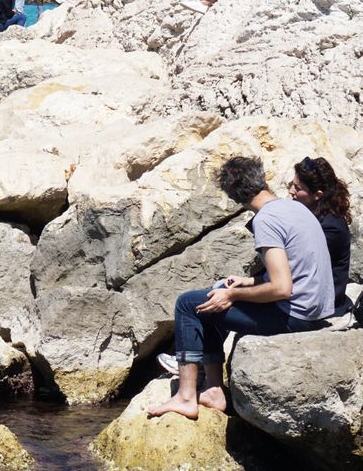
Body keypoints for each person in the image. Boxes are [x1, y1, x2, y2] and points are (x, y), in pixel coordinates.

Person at [148, 156, 334, 420]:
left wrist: (233, 294)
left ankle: (186, 396)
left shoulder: (265, 220)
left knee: (188, 304)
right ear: (262, 179)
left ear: (235, 198)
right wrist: (247, 283)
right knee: (215, 294)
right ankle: (213, 389)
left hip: (294, 317)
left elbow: (281, 288)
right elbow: (295, 273)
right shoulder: (295, 208)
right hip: (315, 312)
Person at [290, 157, 353, 312]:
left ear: (317, 195)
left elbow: (299, 263)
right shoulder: (311, 213)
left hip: (321, 306)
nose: (291, 191)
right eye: (292, 184)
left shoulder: (331, 228)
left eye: (298, 188)